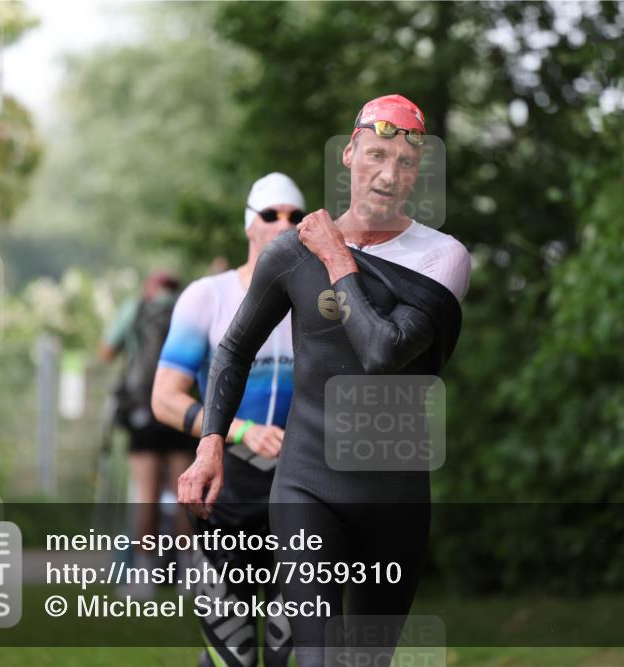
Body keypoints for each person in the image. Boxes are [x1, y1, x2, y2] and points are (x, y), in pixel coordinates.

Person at [179, 94, 470, 666]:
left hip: (394, 497)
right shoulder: (290, 254)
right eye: (376, 155)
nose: (388, 174)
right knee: (313, 660)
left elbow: (381, 352)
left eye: (405, 163)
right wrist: (211, 443)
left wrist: (338, 256)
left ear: (419, 173)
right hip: (306, 485)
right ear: (350, 154)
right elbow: (234, 348)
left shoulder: (443, 257)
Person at [153, 173, 306, 667]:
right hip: (226, 496)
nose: (283, 223)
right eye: (271, 214)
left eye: (295, 216)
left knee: (289, 657)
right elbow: (165, 398)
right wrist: (239, 431)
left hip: (298, 498)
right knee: (232, 657)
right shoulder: (207, 296)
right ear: (250, 225)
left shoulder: (317, 305)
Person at [99, 270, 196, 598]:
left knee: (146, 493)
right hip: (182, 408)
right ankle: (188, 574)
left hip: (144, 410)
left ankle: (145, 575)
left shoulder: (136, 308)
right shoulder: (188, 308)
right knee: (185, 494)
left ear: (150, 288)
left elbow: (107, 352)